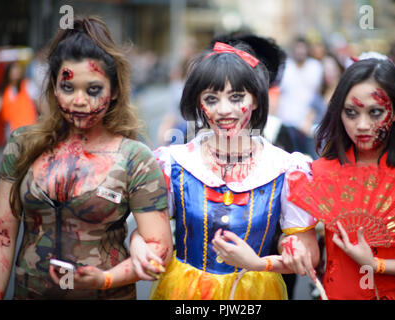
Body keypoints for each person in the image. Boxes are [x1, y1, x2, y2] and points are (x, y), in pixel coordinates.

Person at [0, 16, 172, 300]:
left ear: (113, 91)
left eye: (93, 89)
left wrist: (105, 279)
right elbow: (1, 236)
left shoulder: (135, 158)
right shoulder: (23, 144)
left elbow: (159, 248)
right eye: (68, 88)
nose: (79, 100)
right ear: (53, 87)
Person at [130, 41, 319, 300]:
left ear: (255, 99)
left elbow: (307, 252)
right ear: (199, 104)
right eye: (211, 99)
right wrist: (138, 245)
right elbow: (149, 234)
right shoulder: (173, 163)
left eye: (236, 97)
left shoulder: (286, 168)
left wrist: (266, 260)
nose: (224, 110)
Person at [287, 58, 395, 299]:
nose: (362, 125)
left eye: (375, 112)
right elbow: (297, 240)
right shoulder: (320, 172)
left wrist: (375, 263)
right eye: (351, 113)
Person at [0, 61, 38, 133]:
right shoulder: (3, 92)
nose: (16, 72)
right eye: (14, 69)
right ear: (8, 72)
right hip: (14, 132)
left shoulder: (27, 85)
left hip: (30, 130)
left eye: (18, 69)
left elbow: (40, 105)